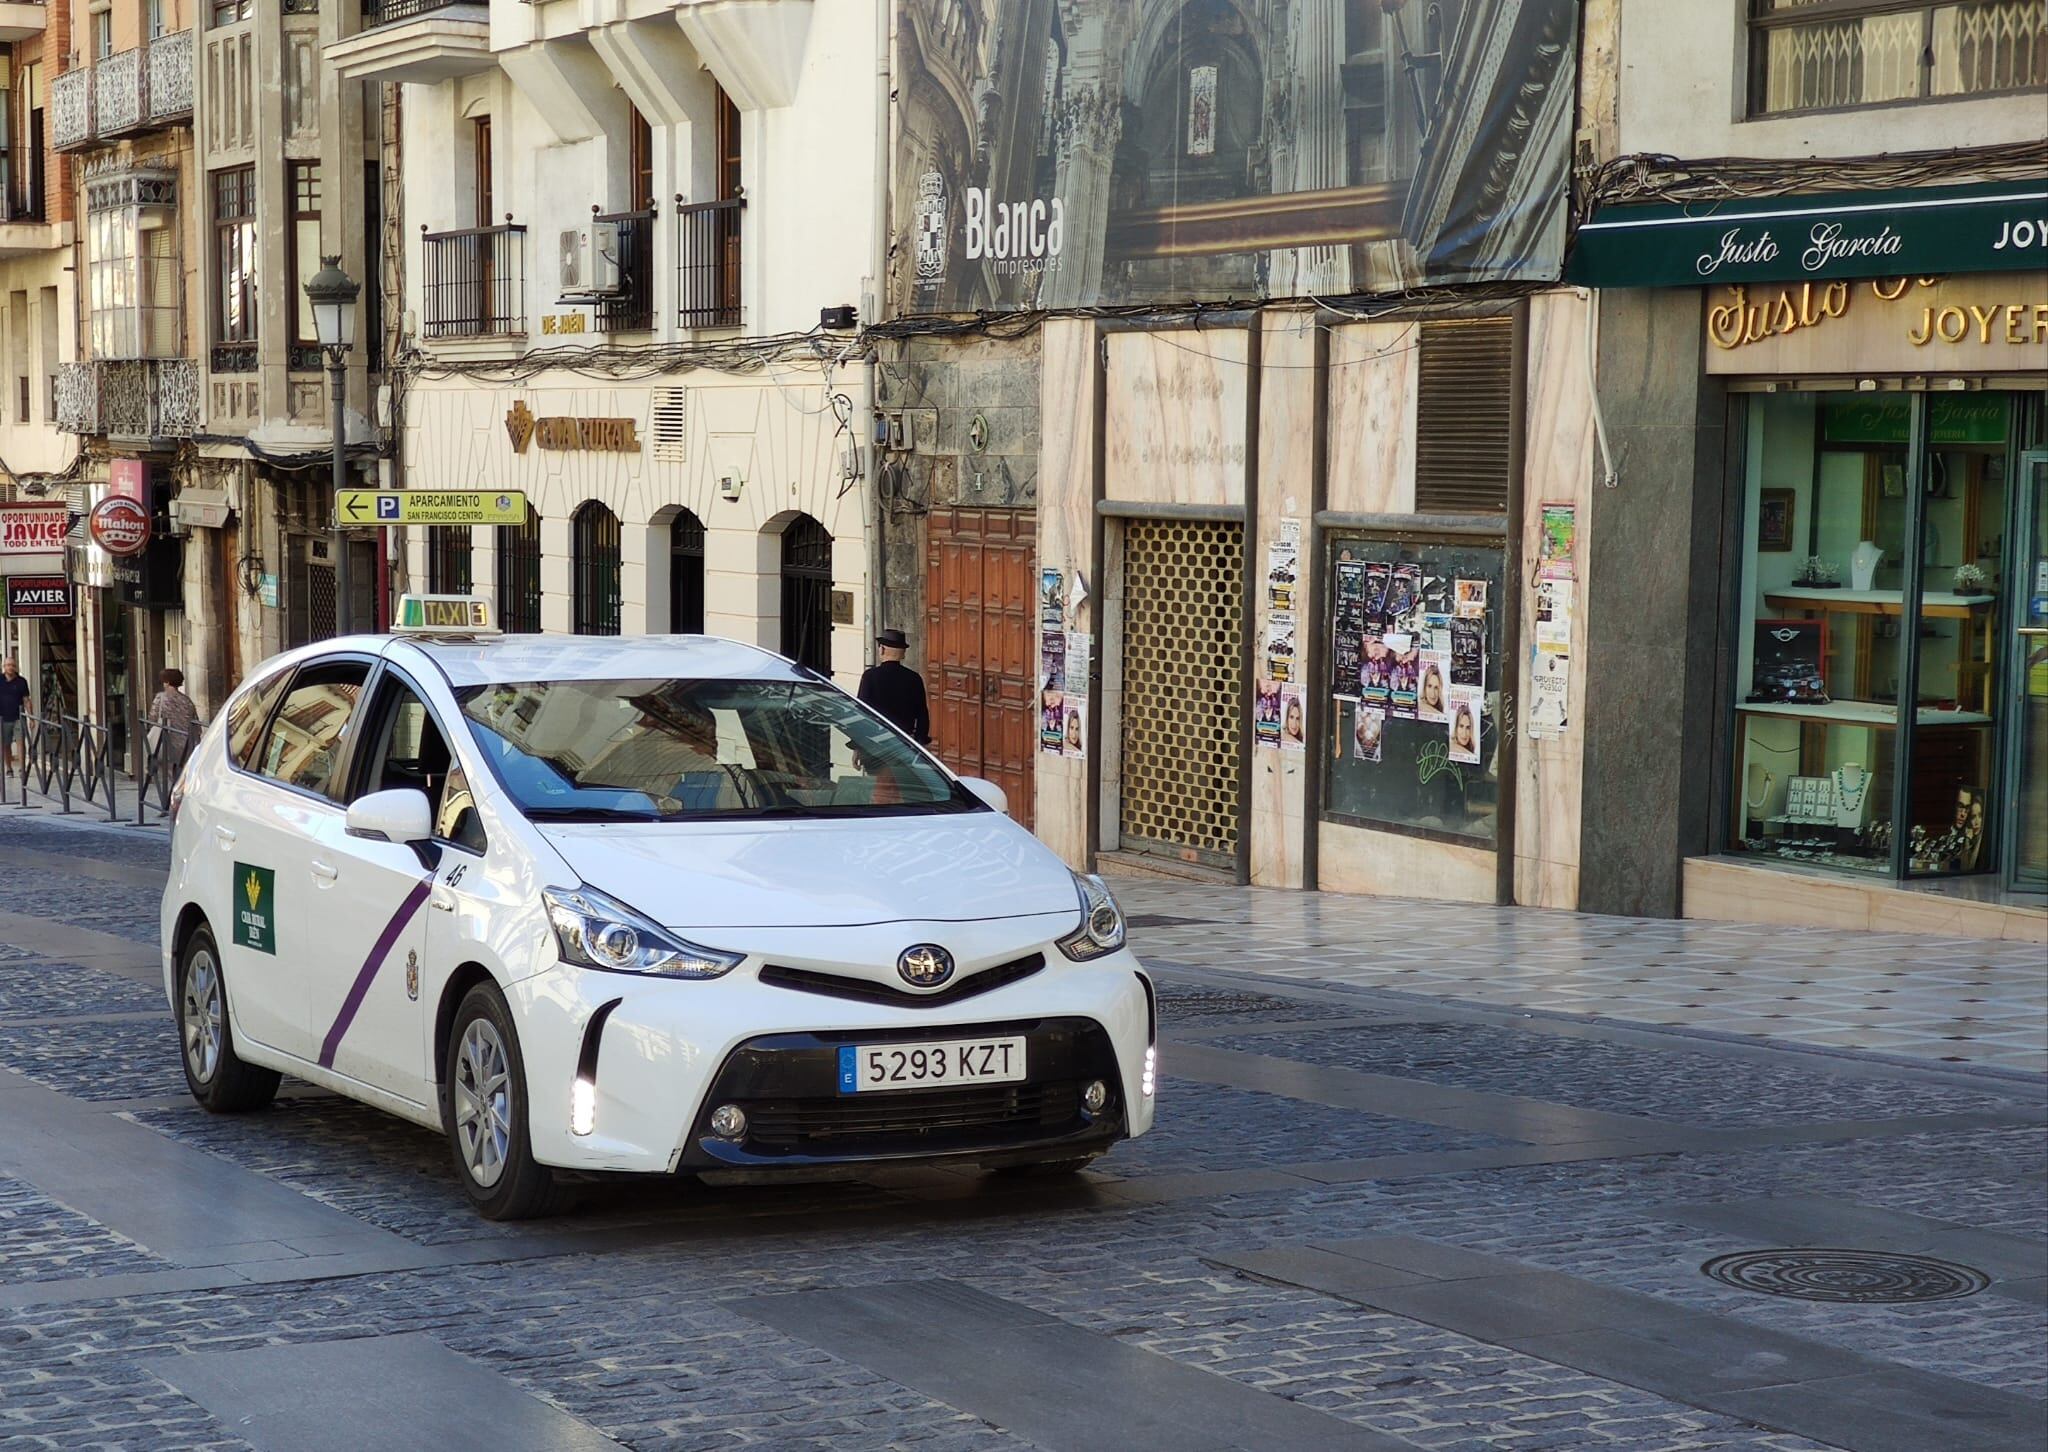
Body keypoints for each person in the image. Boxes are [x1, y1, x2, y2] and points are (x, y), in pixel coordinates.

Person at [857, 628, 930, 745]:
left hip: (875, 743)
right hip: (904, 744)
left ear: (882, 650)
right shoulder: (914, 678)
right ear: (903, 654)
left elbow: (862, 712)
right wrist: (920, 742)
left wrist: (858, 746)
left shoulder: (870, 676)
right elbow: (922, 715)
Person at [147, 668, 202, 796]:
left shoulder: (161, 698)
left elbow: (152, 718)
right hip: (184, 742)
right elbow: (195, 723)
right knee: (181, 772)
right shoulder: (187, 701)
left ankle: (171, 800)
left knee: (168, 772)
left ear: (166, 682)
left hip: (167, 741)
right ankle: (180, 794)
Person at [0, 658, 29, 776]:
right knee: (5, 744)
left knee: (21, 742)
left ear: (15, 667)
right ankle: (9, 768)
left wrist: (31, 717)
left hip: (18, 717)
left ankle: (22, 768)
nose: (10, 667)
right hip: (3, 717)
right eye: (7, 665)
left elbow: (26, 699)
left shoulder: (22, 681)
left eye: (12, 665)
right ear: (4, 667)